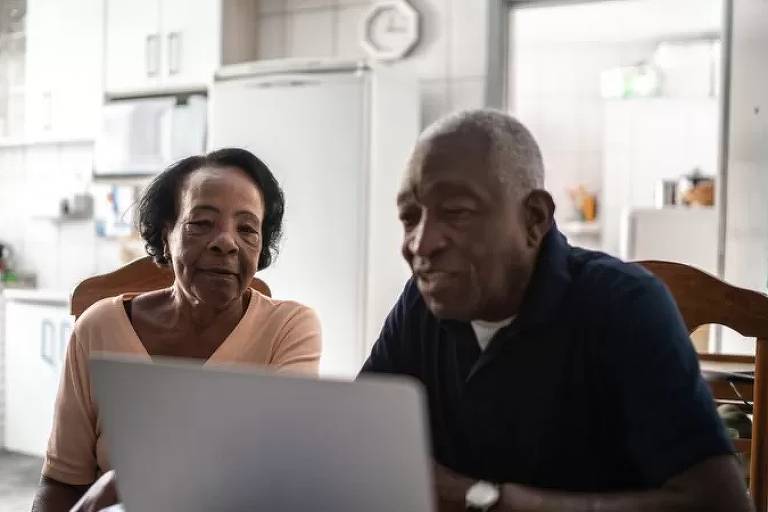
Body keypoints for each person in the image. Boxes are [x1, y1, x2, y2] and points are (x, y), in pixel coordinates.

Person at [361, 109, 753, 511]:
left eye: (457, 212)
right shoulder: (421, 304)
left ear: (534, 219)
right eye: (410, 218)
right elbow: (357, 437)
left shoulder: (624, 306)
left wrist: (486, 500)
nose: (421, 244)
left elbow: (719, 503)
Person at [31, 148, 322, 512]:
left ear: (261, 248)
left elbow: (277, 469)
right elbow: (61, 481)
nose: (226, 242)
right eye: (201, 223)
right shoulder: (98, 327)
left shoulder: (289, 328)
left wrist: (122, 481)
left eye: (247, 228)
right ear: (165, 234)